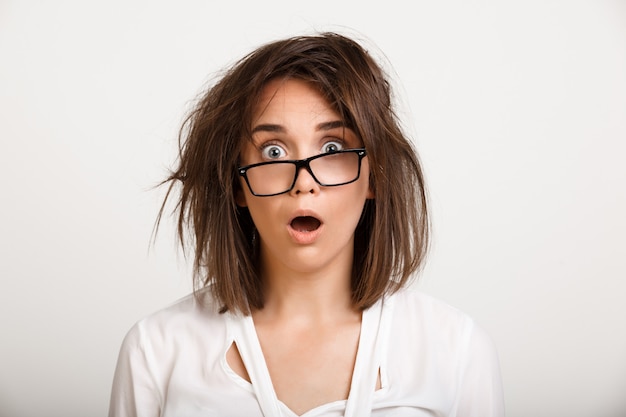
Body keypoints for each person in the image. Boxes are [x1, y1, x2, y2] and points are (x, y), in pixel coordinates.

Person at [108, 32, 504, 417]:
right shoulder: (156, 350)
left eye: (332, 148)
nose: (304, 183)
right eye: (273, 150)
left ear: (375, 177)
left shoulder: (456, 350)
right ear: (237, 182)